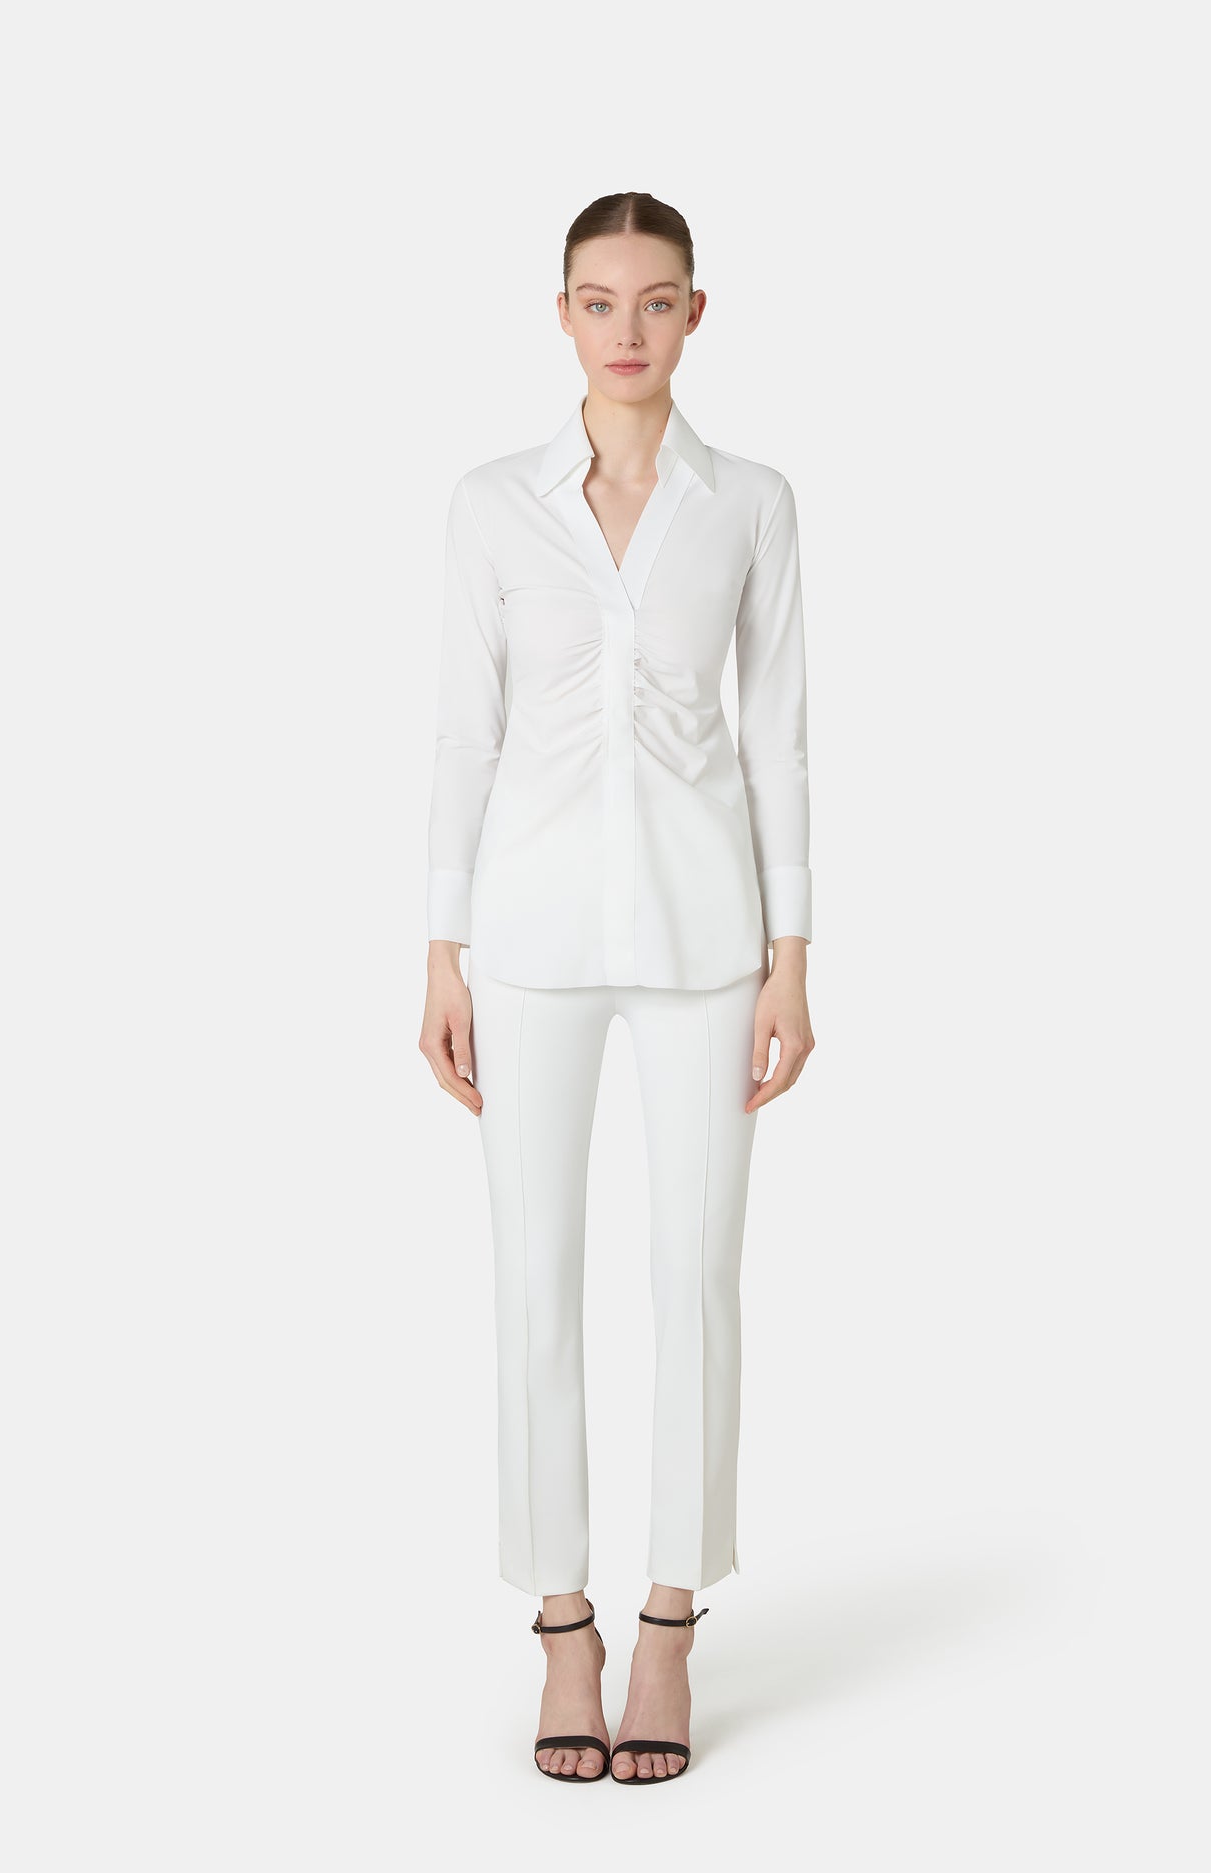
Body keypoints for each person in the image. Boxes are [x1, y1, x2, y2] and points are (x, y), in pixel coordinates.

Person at [420, 190, 816, 1784]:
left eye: (656, 302)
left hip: (708, 941)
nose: (628, 330)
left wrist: (795, 956)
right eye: (600, 301)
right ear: (564, 313)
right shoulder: (491, 505)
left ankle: (668, 1621)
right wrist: (441, 948)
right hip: (525, 942)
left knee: (694, 1274)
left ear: (695, 313)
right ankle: (561, 1623)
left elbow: (779, 732)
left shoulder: (752, 503)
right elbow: (464, 729)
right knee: (534, 1276)